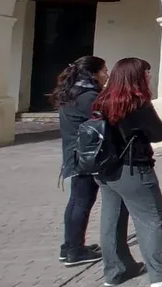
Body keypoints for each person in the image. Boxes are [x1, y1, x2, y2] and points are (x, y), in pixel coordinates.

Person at [94, 58, 162, 287]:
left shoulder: (102, 99)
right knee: (151, 218)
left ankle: (116, 270)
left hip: (105, 168)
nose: (150, 76)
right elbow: (160, 133)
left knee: (111, 220)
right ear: (136, 76)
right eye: (147, 73)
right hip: (133, 169)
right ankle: (161, 272)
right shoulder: (136, 102)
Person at [54, 56, 108, 266]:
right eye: (104, 70)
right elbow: (106, 120)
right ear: (93, 73)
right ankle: (75, 251)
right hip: (84, 157)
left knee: (77, 200)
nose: (107, 74)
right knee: (82, 202)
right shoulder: (88, 97)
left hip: (74, 154)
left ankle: (70, 246)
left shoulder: (73, 92)